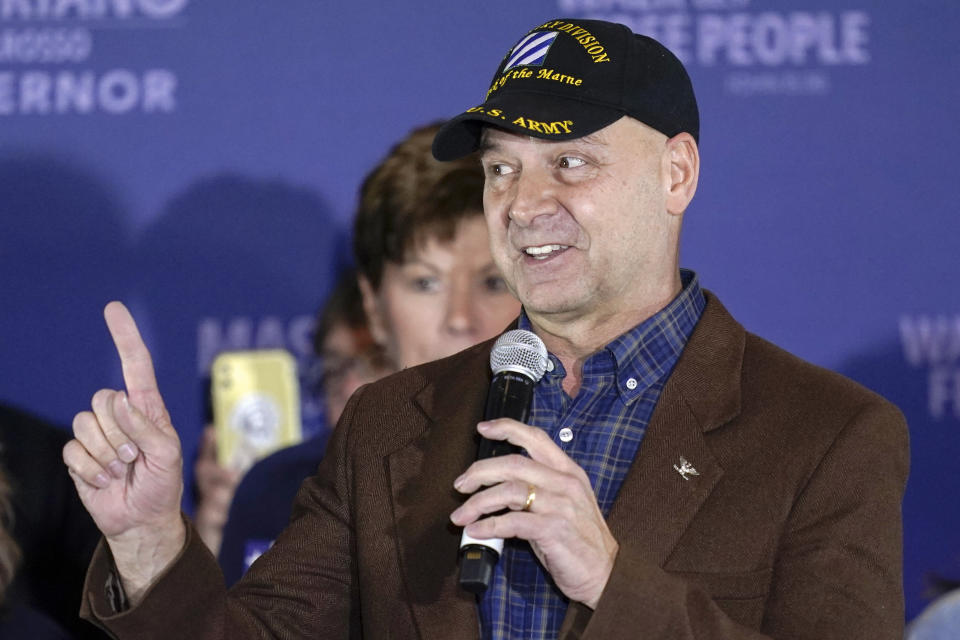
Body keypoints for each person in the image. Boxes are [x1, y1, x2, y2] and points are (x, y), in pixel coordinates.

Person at [63, 18, 909, 639]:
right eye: (501, 167)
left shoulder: (827, 437)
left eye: (570, 162)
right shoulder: (390, 421)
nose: (524, 203)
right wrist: (147, 543)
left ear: (676, 173)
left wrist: (612, 583)